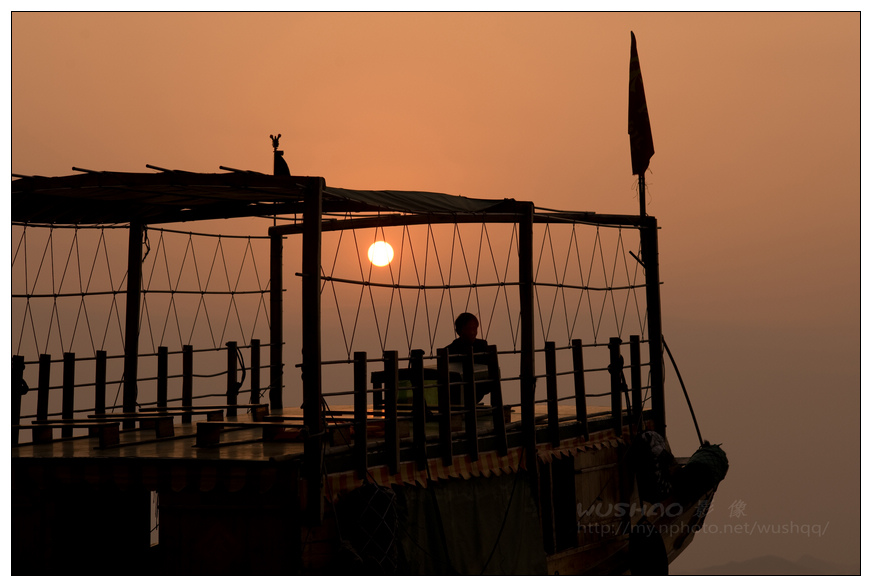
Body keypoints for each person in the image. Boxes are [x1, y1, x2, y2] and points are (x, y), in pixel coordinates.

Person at [444, 312, 491, 404]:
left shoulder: (482, 345)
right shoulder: (450, 350)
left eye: (475, 328)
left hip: (480, 387)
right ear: (460, 330)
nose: (473, 332)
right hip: (458, 389)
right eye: (469, 329)